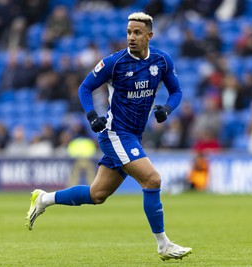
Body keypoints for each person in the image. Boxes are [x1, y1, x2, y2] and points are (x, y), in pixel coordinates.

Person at [25, 12, 192, 261]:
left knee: (97, 195)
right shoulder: (115, 63)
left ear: (149, 35)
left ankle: (43, 199)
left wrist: (167, 109)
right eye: (128, 32)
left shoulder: (162, 61)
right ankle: (163, 244)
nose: (131, 37)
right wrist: (93, 115)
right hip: (116, 133)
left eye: (137, 33)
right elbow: (85, 87)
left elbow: (177, 90)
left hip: (134, 135)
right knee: (152, 180)